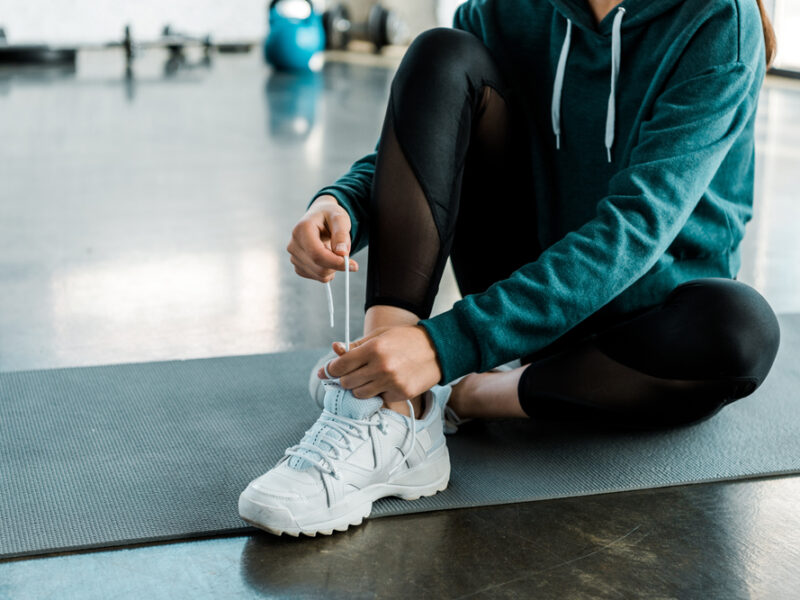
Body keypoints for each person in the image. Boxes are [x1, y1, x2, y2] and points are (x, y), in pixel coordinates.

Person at [238, 0, 782, 537]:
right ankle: (386, 404)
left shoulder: (718, 20)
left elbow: (635, 228)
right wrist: (342, 204)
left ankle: (462, 392)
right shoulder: (504, 9)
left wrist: (442, 348)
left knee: (742, 328)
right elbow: (432, 138)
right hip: (525, 284)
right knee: (442, 53)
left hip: (639, 329)